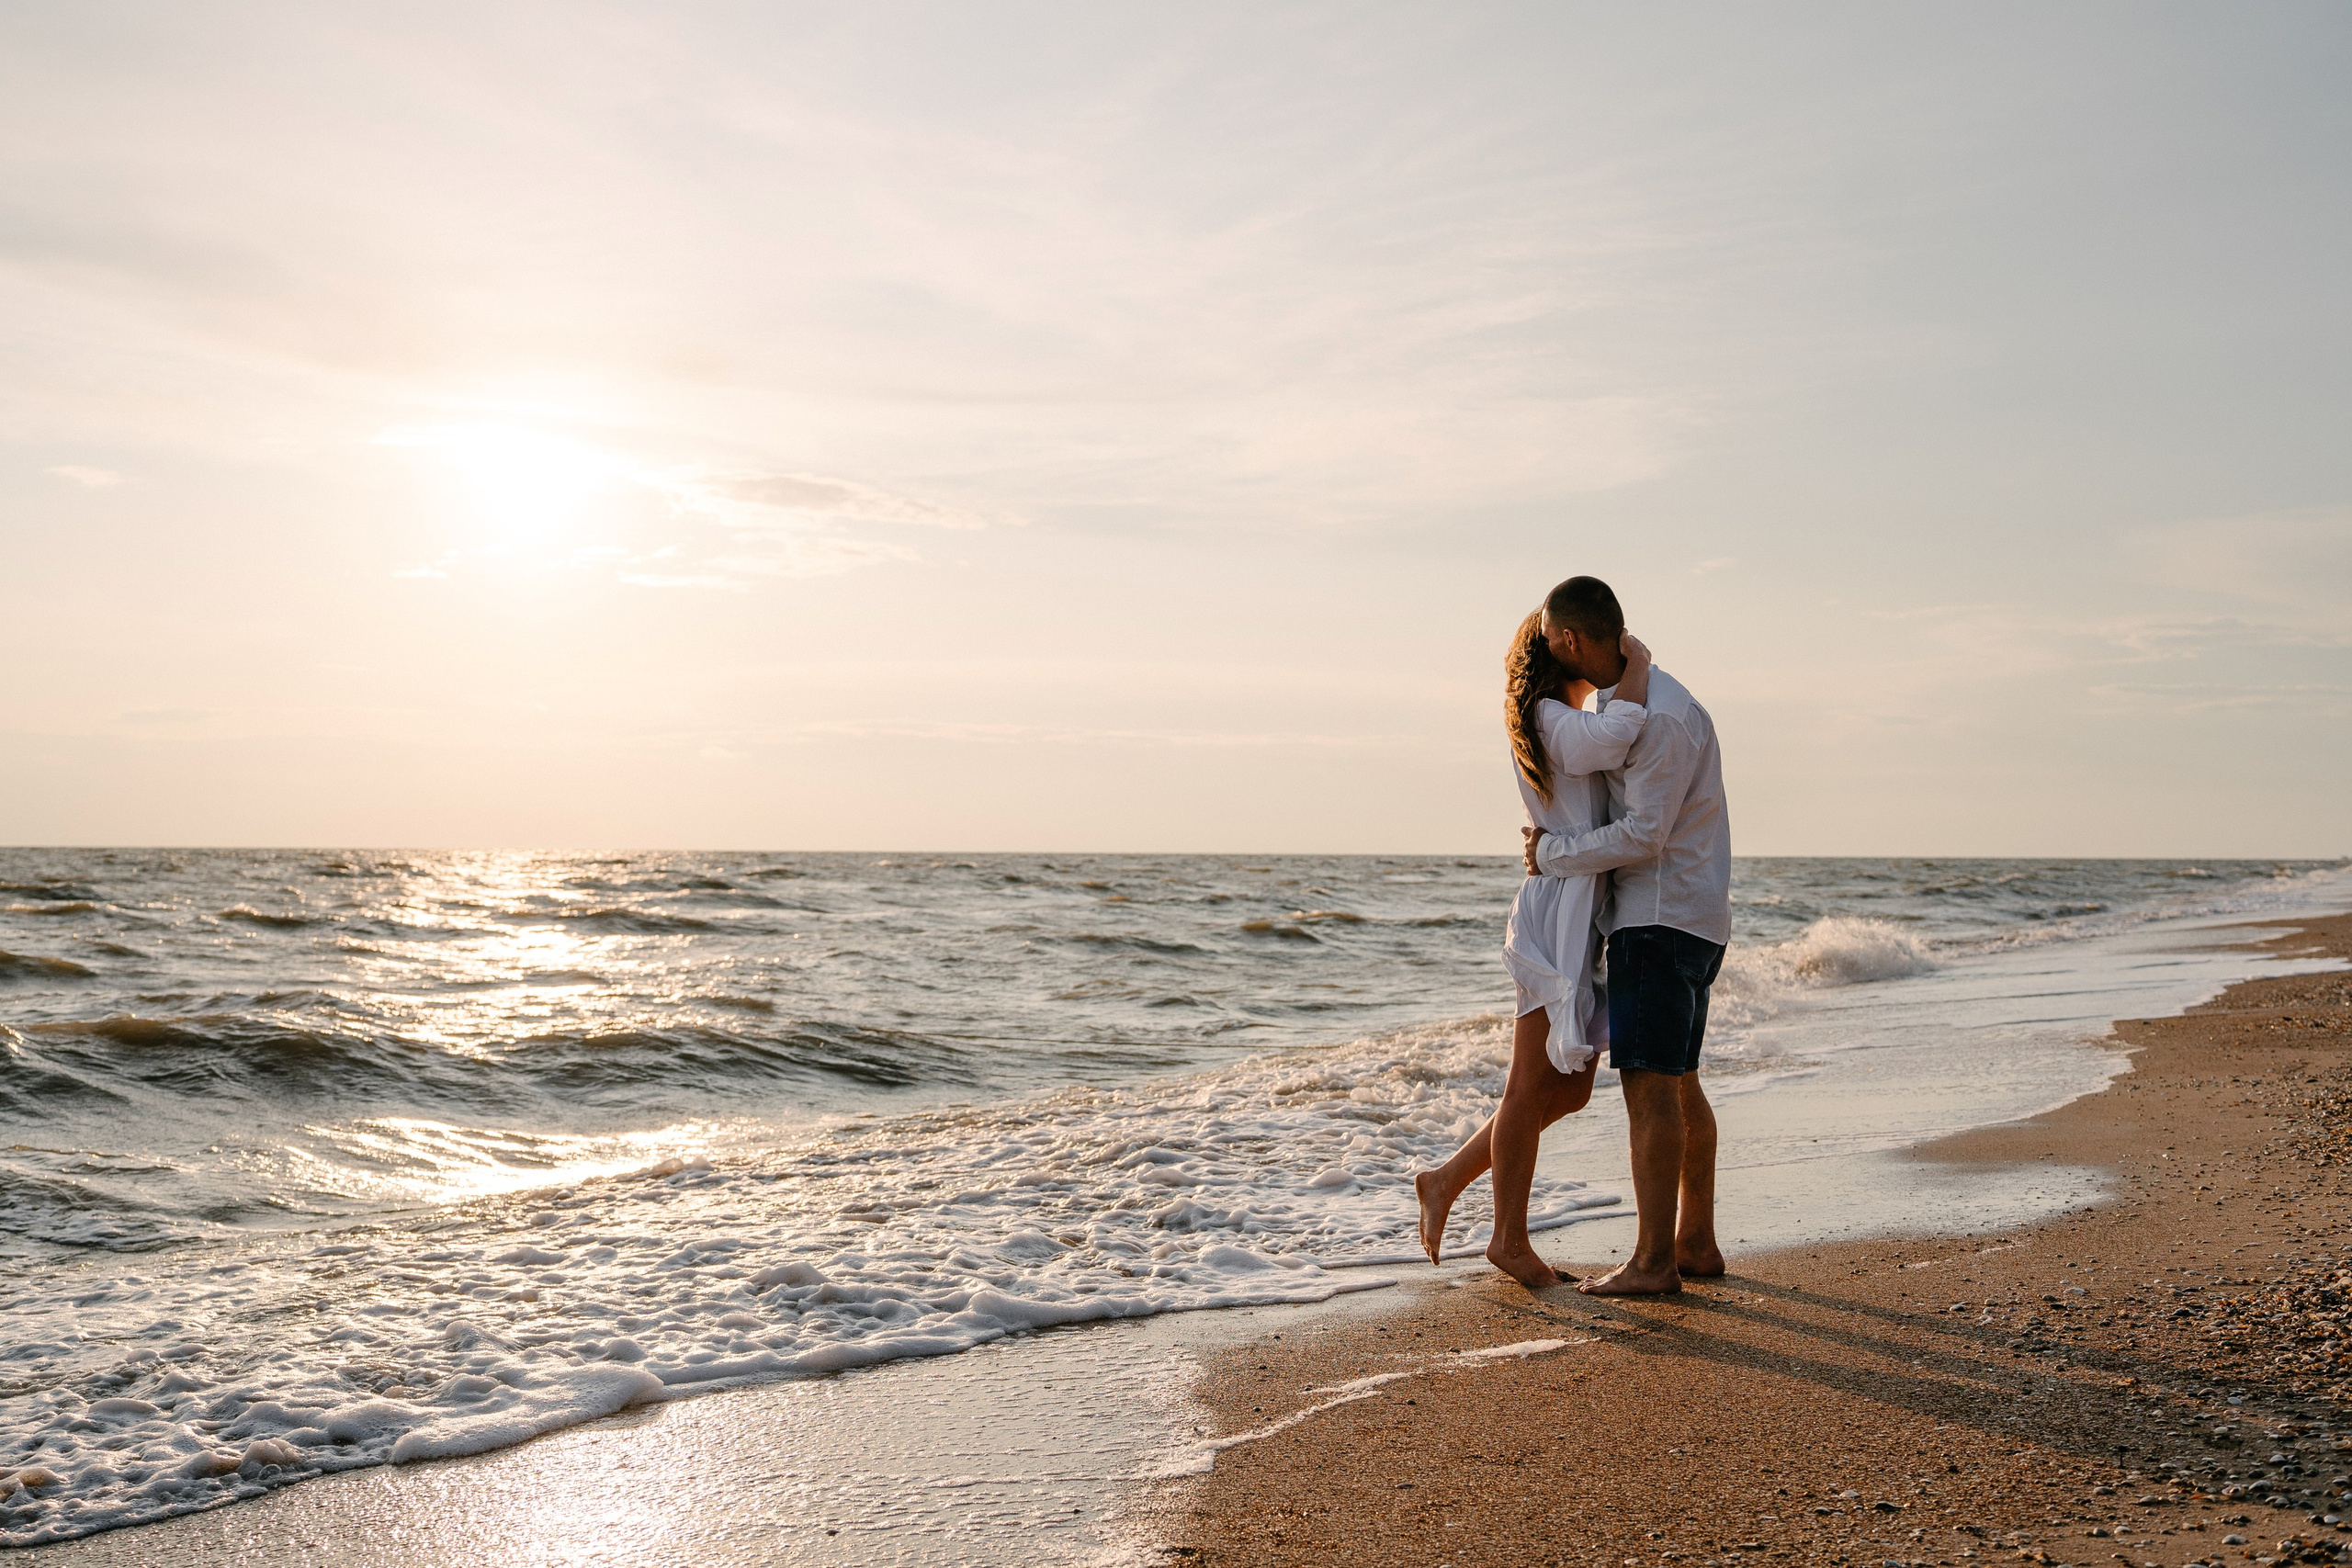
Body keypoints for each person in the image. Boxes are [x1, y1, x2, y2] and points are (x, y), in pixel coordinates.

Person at [1414, 609, 1652, 1288]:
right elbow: (1618, 735)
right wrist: (1637, 665)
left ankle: (1445, 1178)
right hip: (1554, 916)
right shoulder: (1551, 718)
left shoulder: (1561, 718)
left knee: (1572, 1088)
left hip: (1581, 913)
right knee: (1528, 1083)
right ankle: (1508, 1240)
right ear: (1562, 650)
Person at [1520, 574, 1732, 1296]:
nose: (1545, 651)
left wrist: (1550, 853)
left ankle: (1652, 1261)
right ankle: (1694, 1241)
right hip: (1689, 919)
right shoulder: (1645, 702)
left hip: (1659, 922)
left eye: (1550, 640)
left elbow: (1644, 835)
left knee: (1650, 1093)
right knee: (1680, 1083)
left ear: (1571, 640)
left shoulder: (1659, 717)